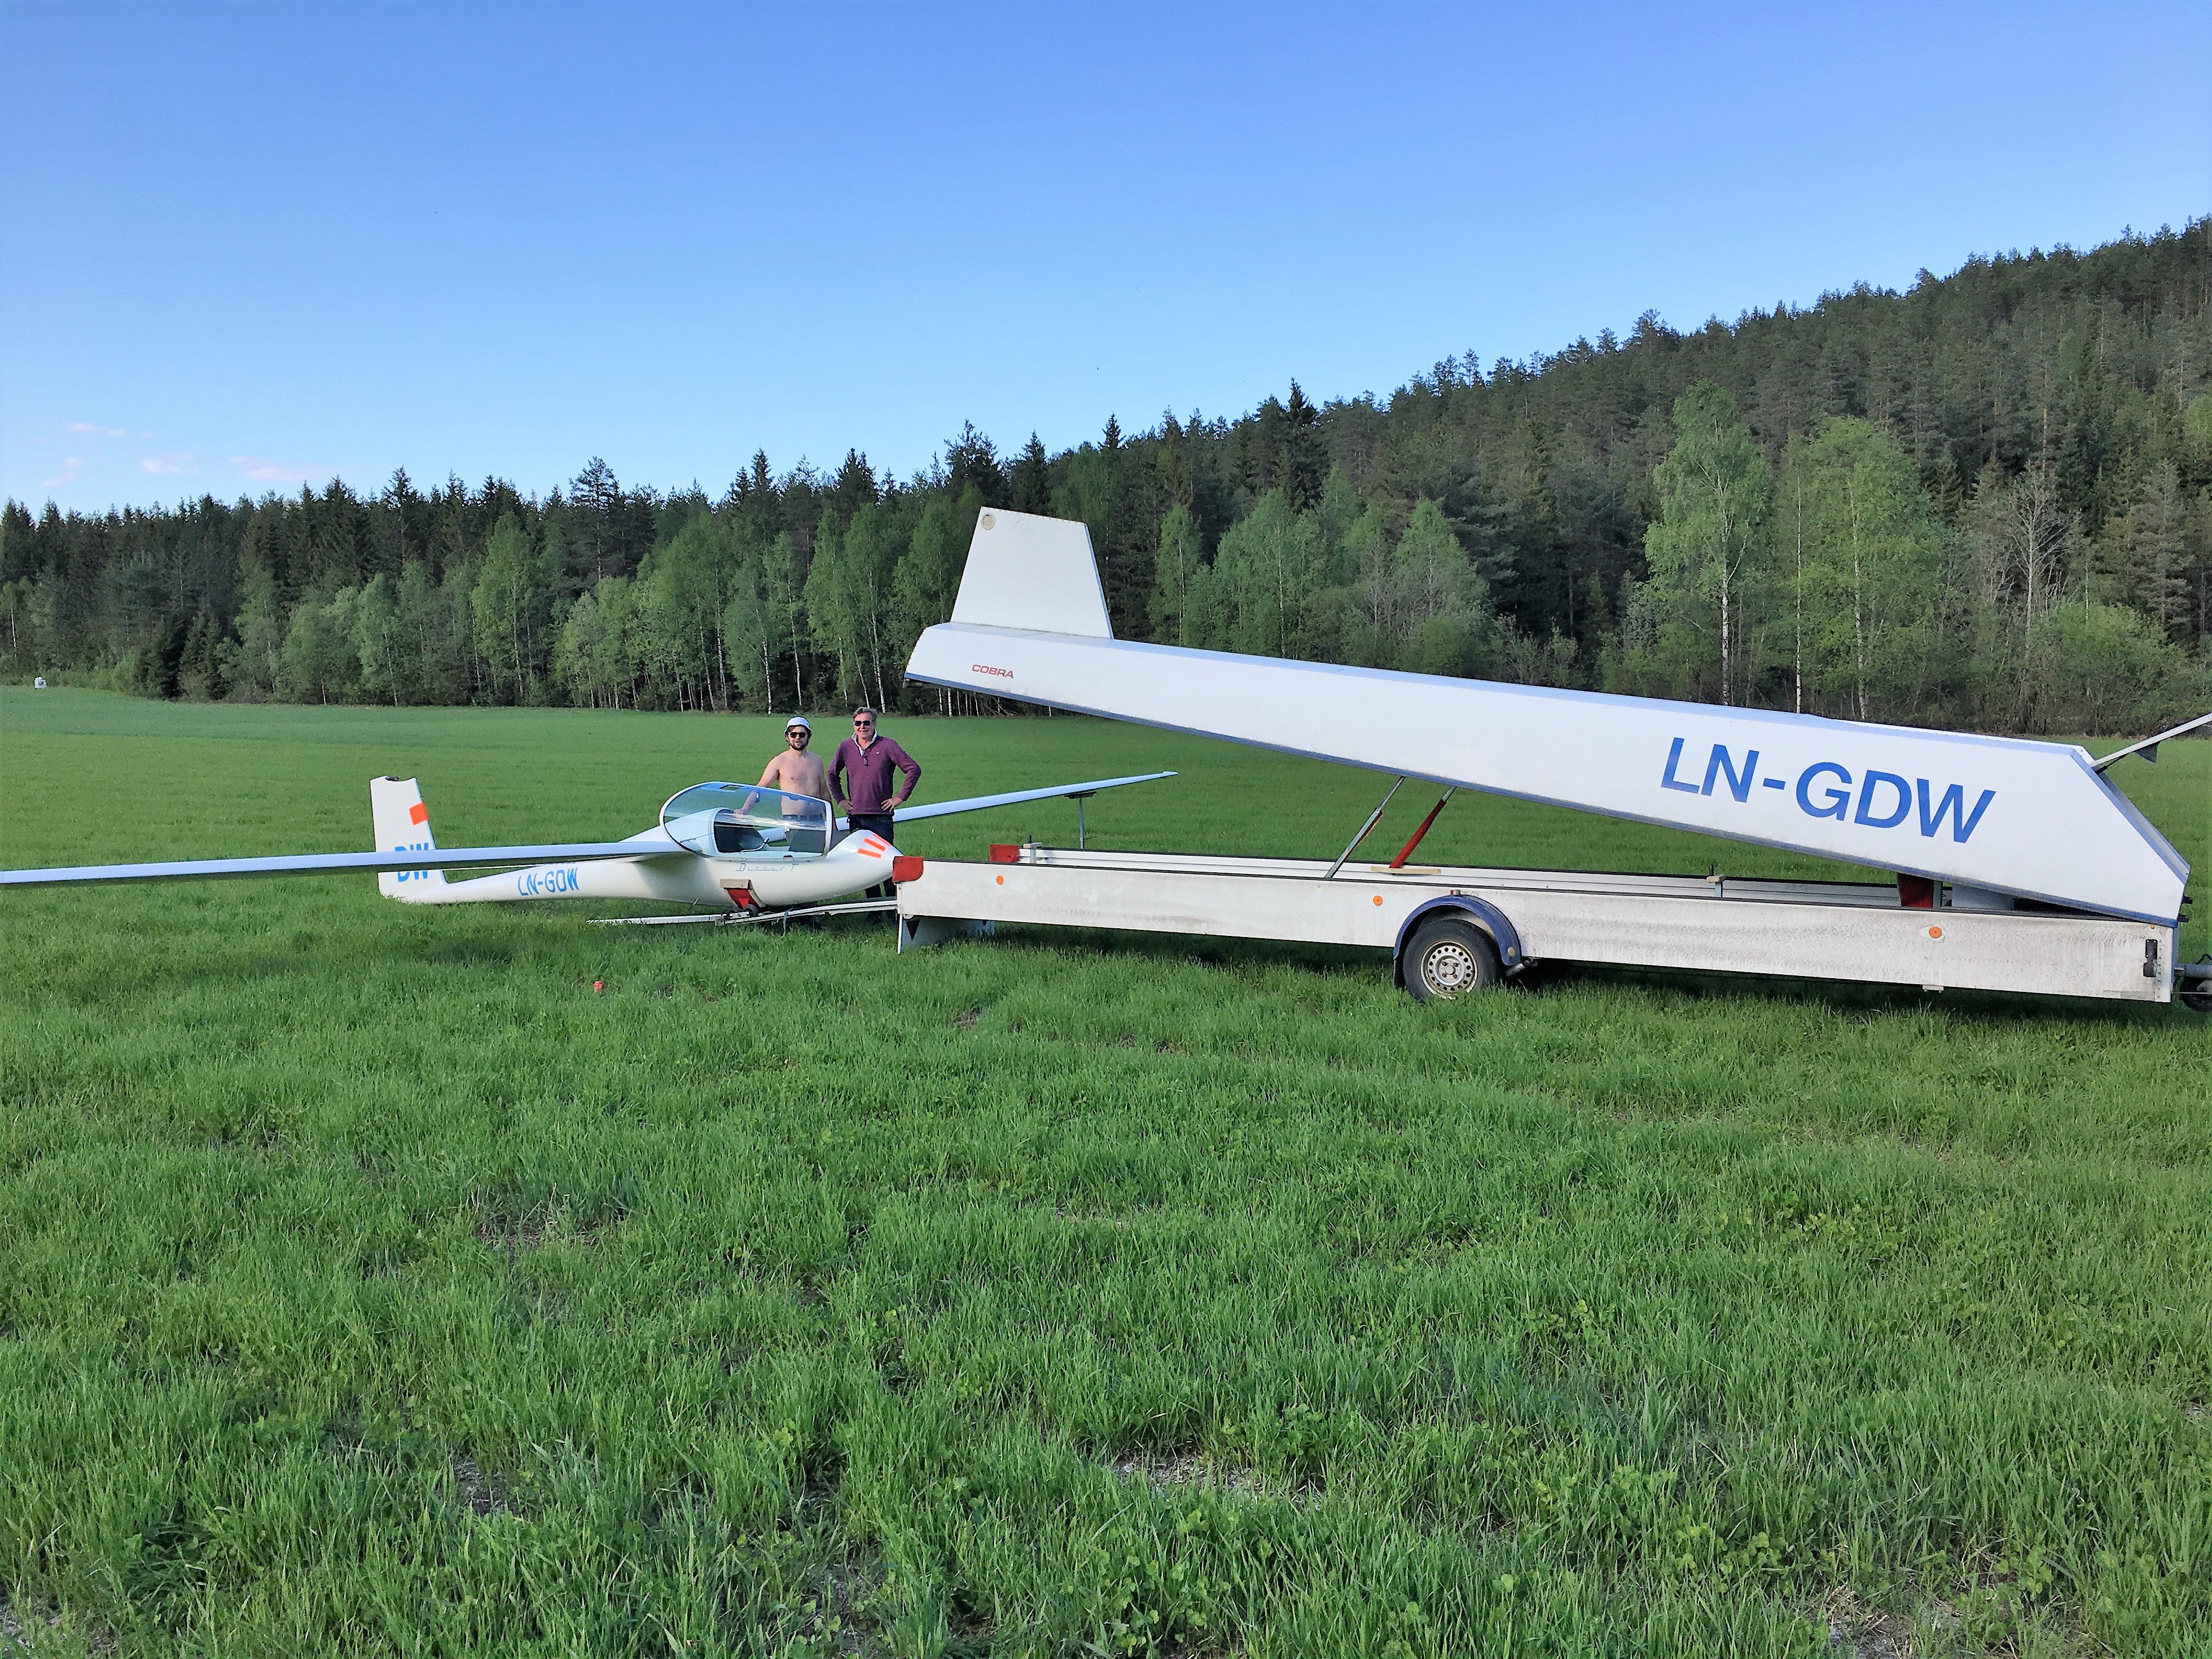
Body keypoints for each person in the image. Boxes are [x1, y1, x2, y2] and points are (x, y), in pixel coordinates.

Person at [830, 706, 919, 899]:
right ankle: (874, 907)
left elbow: (913, 769)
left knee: (887, 864)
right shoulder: (846, 747)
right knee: (864, 865)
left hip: (881, 817)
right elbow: (832, 775)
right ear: (853, 725)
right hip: (857, 818)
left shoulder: (888, 745)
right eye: (858, 723)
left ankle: (893, 905)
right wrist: (841, 799)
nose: (862, 727)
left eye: (866, 723)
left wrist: (899, 798)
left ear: (874, 724)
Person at [756, 716, 831, 853]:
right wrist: (743, 811)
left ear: (808, 737)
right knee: (799, 857)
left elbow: (824, 792)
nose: (798, 738)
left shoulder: (816, 760)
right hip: (794, 822)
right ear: (787, 737)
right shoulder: (779, 761)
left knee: (820, 857)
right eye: (793, 734)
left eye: (802, 735)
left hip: (817, 821)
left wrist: (833, 823)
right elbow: (761, 788)